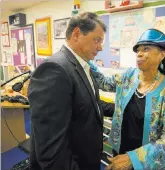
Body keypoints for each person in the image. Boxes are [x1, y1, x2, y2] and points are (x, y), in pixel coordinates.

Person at [89, 28, 165, 170]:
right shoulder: (128, 76)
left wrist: (134, 159)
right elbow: (104, 82)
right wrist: (86, 60)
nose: (139, 54)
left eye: (146, 49)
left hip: (148, 163)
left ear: (162, 54)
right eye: (138, 50)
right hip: (120, 155)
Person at [28, 12, 114, 170]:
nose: (100, 47)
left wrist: (121, 108)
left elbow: (89, 103)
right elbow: (51, 149)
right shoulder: (55, 70)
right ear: (76, 34)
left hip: (86, 158)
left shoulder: (82, 64)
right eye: (97, 40)